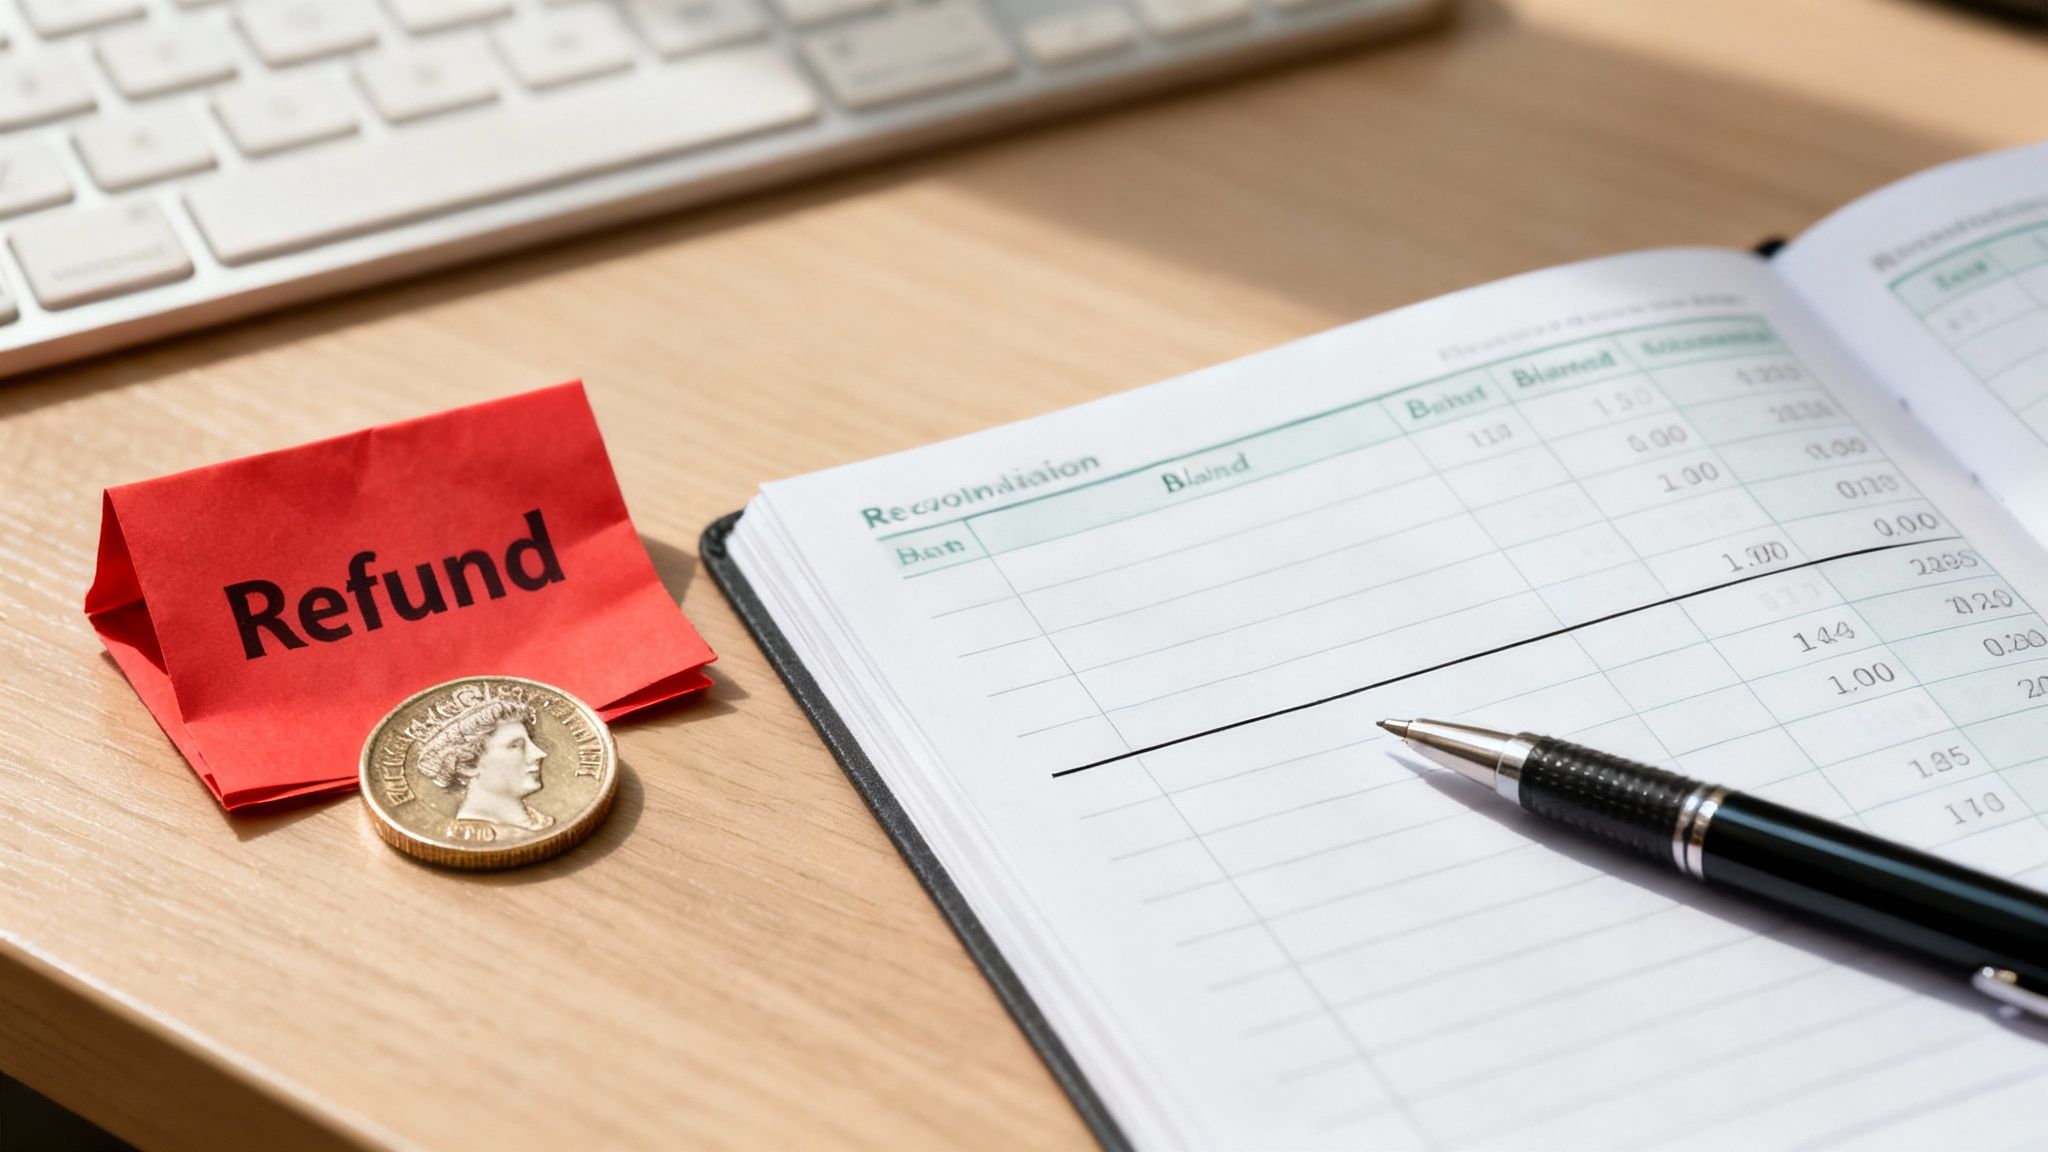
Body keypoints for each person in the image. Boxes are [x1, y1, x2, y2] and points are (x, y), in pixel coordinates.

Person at [411, 686, 555, 832]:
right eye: (515, 746)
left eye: (530, 742)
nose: (539, 753)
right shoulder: (470, 838)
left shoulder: (541, 822)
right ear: (468, 766)